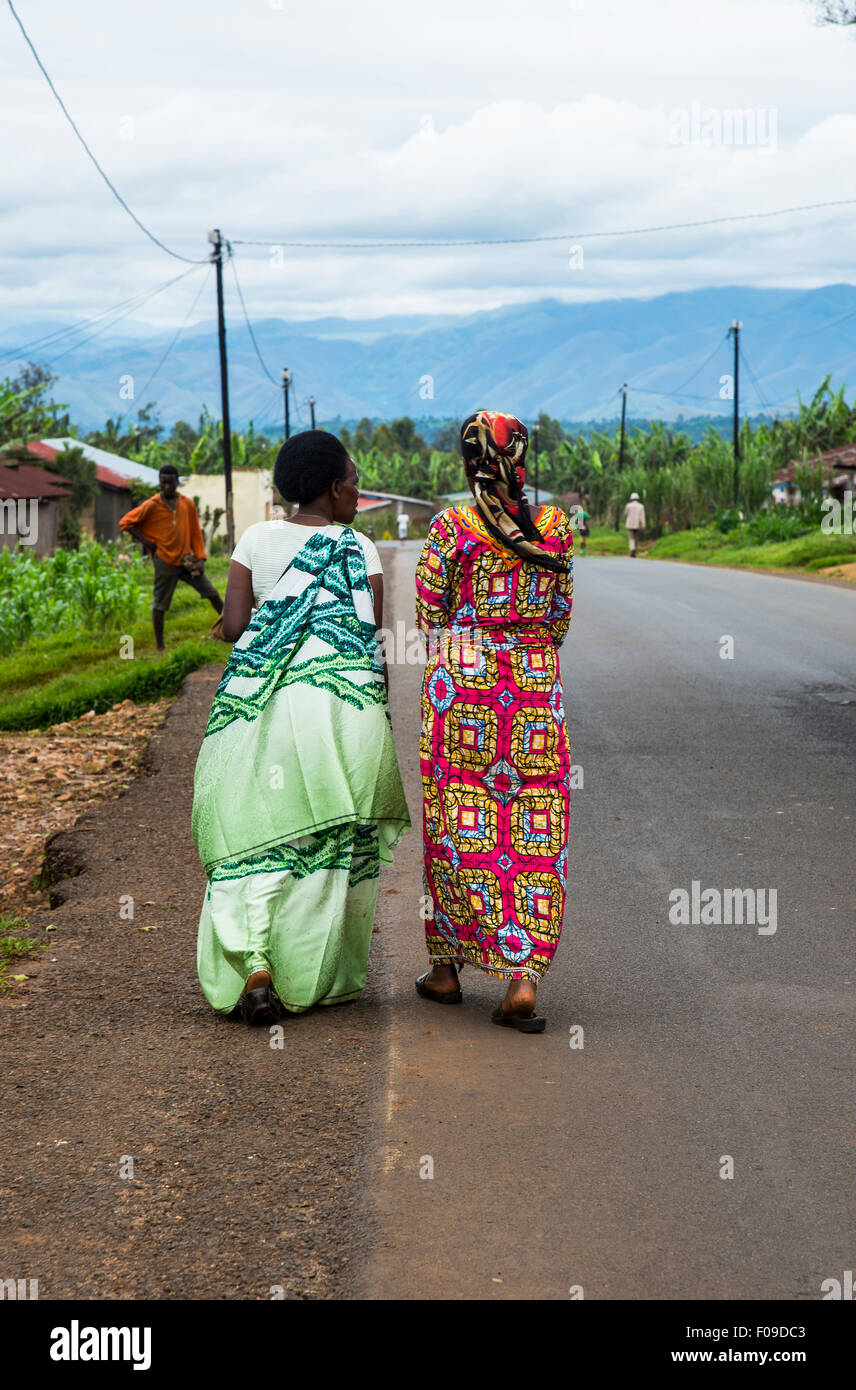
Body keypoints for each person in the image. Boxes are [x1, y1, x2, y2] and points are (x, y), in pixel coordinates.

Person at [191, 430, 409, 1026]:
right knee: (327, 845)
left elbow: (235, 623)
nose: (358, 494)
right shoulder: (358, 549)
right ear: (336, 489)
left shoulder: (255, 539)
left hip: (261, 711)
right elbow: (371, 645)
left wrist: (269, 616)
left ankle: (255, 966)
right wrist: (379, 721)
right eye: (356, 485)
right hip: (341, 712)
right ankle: (305, 977)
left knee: (256, 841)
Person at [414, 410, 574, 1034]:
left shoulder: (450, 527)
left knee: (458, 826)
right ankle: (522, 982)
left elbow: (431, 615)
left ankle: (447, 972)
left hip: (462, 691)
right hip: (535, 691)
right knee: (533, 831)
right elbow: (559, 621)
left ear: (468, 461)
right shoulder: (555, 529)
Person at [119, 465, 223, 650]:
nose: (166, 486)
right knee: (160, 604)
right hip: (165, 561)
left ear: (177, 482)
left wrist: (200, 558)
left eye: (170, 482)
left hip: (186, 561)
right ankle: (160, 646)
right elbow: (125, 522)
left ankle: (231, 632)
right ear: (159, 482)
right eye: (163, 482)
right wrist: (147, 542)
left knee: (212, 593)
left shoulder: (187, 504)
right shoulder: (152, 504)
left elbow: (195, 533)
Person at [624, 491, 646, 557]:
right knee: (636, 539)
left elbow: (625, 514)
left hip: (629, 524)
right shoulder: (641, 506)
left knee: (631, 538)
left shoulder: (628, 505)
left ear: (631, 499)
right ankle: (635, 551)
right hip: (638, 525)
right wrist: (643, 525)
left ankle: (632, 548)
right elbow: (642, 517)